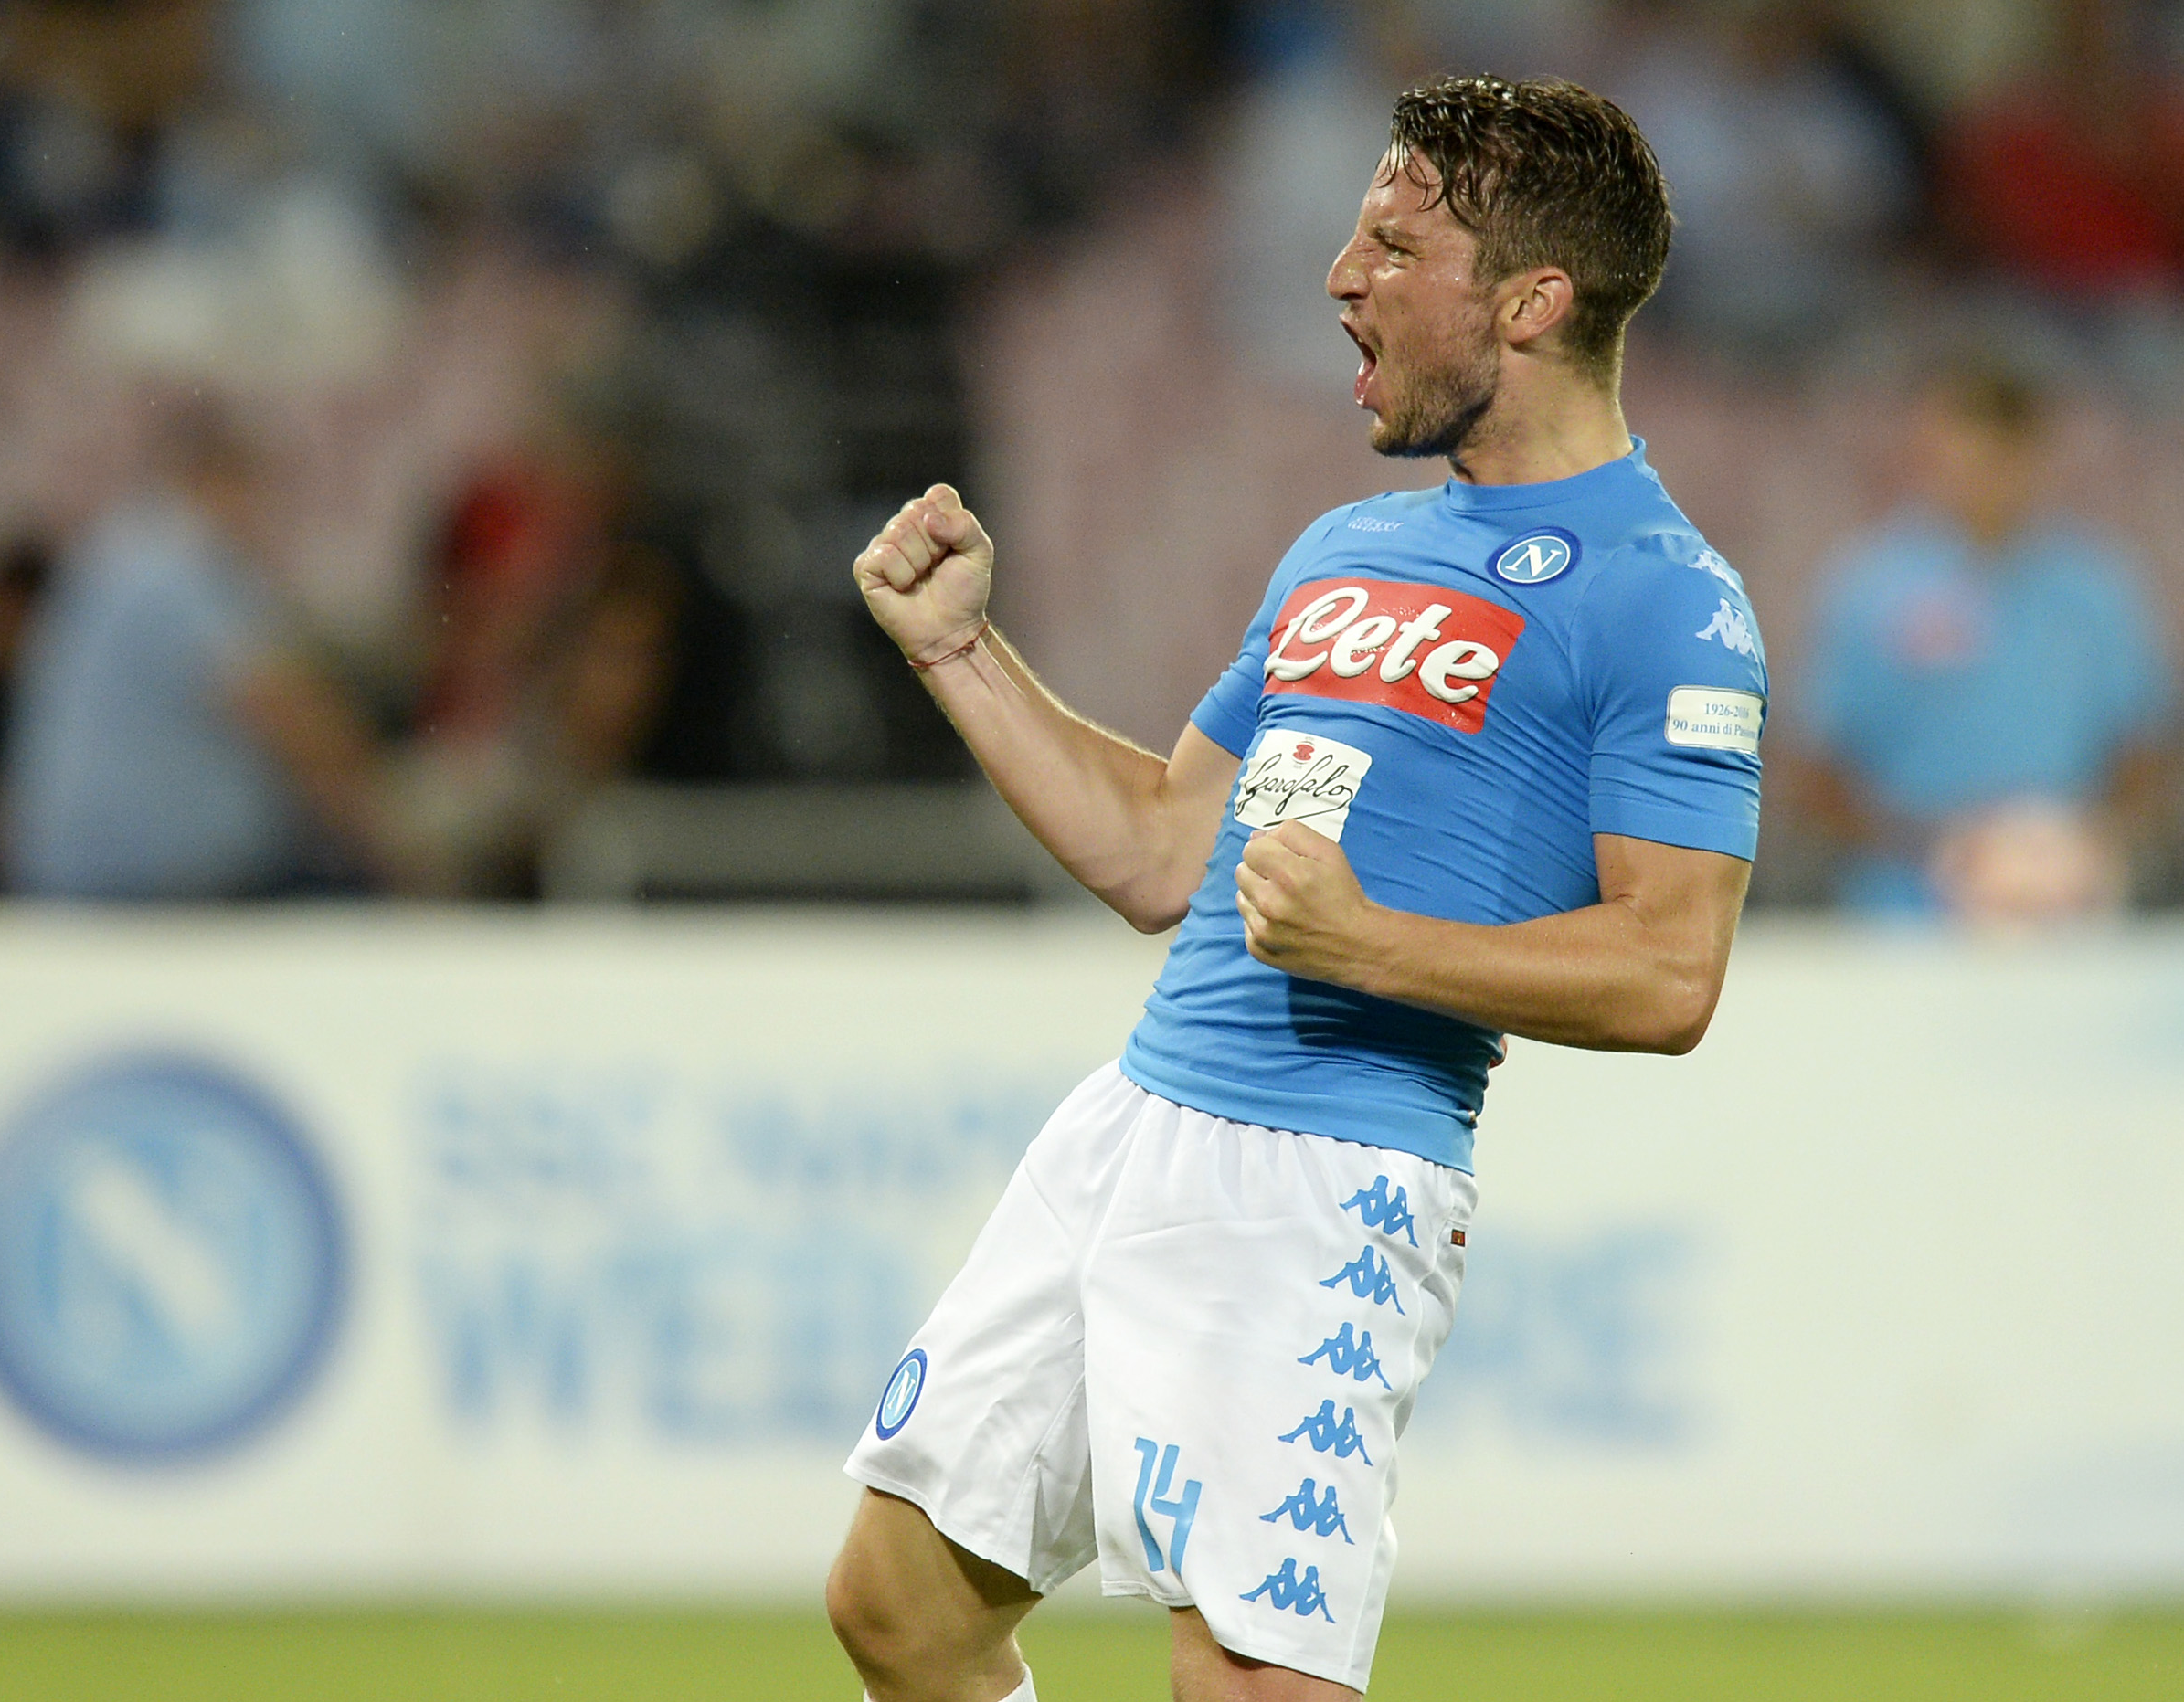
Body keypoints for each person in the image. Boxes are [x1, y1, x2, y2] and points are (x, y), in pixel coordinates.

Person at [827, 78, 1765, 1702]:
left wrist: (1374, 943)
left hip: (1326, 1174)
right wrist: (960, 651)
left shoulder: (1667, 601)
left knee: (1251, 1682)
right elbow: (1159, 850)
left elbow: (1672, 970)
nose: (1341, 273)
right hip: (1133, 1120)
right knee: (900, 1604)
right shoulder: (1347, 547)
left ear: (1535, 302)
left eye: (1396, 245)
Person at [0, 397, 435, 899]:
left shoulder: (122, 551)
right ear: (225, 479)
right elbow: (288, 716)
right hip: (141, 893)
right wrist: (396, 842)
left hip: (102, 881)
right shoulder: (176, 563)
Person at [1798, 361, 2174, 922]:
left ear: (2034, 453)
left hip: (2066, 913)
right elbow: (1818, 767)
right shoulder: (1873, 584)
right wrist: (1939, 851)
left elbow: (2145, 751)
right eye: (1959, 450)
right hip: (1907, 915)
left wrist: (2075, 848)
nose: (1977, 473)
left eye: (1998, 454)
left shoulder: (2095, 587)